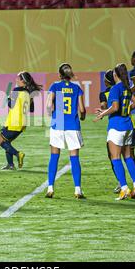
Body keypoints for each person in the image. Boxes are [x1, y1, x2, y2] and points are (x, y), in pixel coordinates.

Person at [94, 64, 135, 200]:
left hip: (117, 126)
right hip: (128, 126)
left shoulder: (115, 89)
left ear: (115, 75)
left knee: (115, 158)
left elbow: (115, 107)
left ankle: (125, 188)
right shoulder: (126, 87)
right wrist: (126, 110)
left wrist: (103, 113)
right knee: (128, 157)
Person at [45, 63, 86, 199]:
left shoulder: (55, 86)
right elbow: (82, 109)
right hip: (72, 125)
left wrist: (52, 115)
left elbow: (49, 105)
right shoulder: (76, 88)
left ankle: (50, 187)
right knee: (74, 157)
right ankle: (78, 190)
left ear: (60, 75)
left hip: (59, 123)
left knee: (54, 156)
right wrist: (83, 117)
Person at [0, 71, 42, 170]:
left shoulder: (16, 90)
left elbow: (10, 105)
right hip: (23, 122)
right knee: (7, 142)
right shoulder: (28, 93)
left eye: (18, 78)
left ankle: (18, 154)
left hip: (14, 121)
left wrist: (8, 98)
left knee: (0, 140)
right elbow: (31, 109)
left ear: (22, 80)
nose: (16, 79)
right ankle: (11, 165)